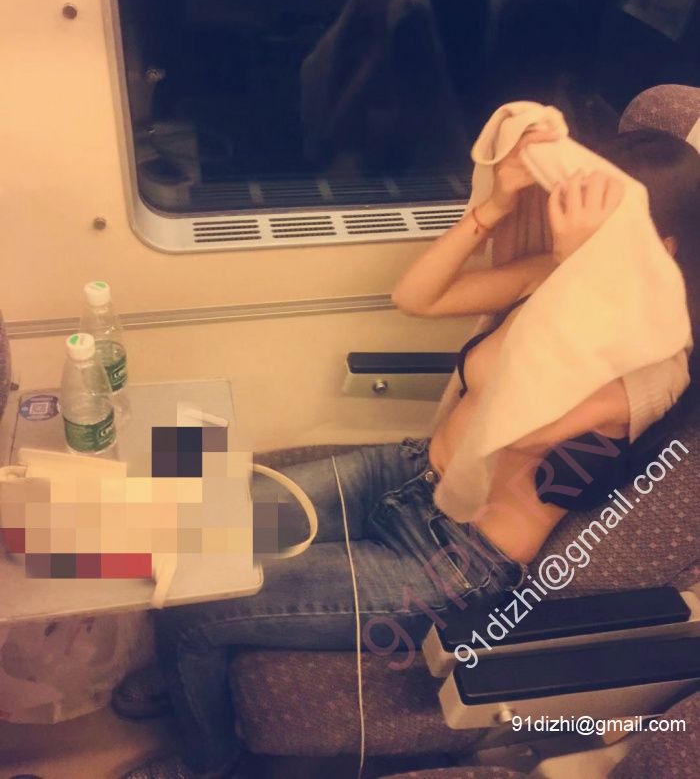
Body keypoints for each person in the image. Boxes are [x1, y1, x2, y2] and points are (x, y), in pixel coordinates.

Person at [119, 128, 699, 779]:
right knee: (194, 523)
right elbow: (418, 297)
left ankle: (210, 763)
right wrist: (496, 207)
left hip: (452, 559)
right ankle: (189, 669)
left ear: (662, 249)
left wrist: (579, 269)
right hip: (406, 474)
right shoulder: (554, 276)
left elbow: (518, 426)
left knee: (198, 602)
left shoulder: (656, 370)